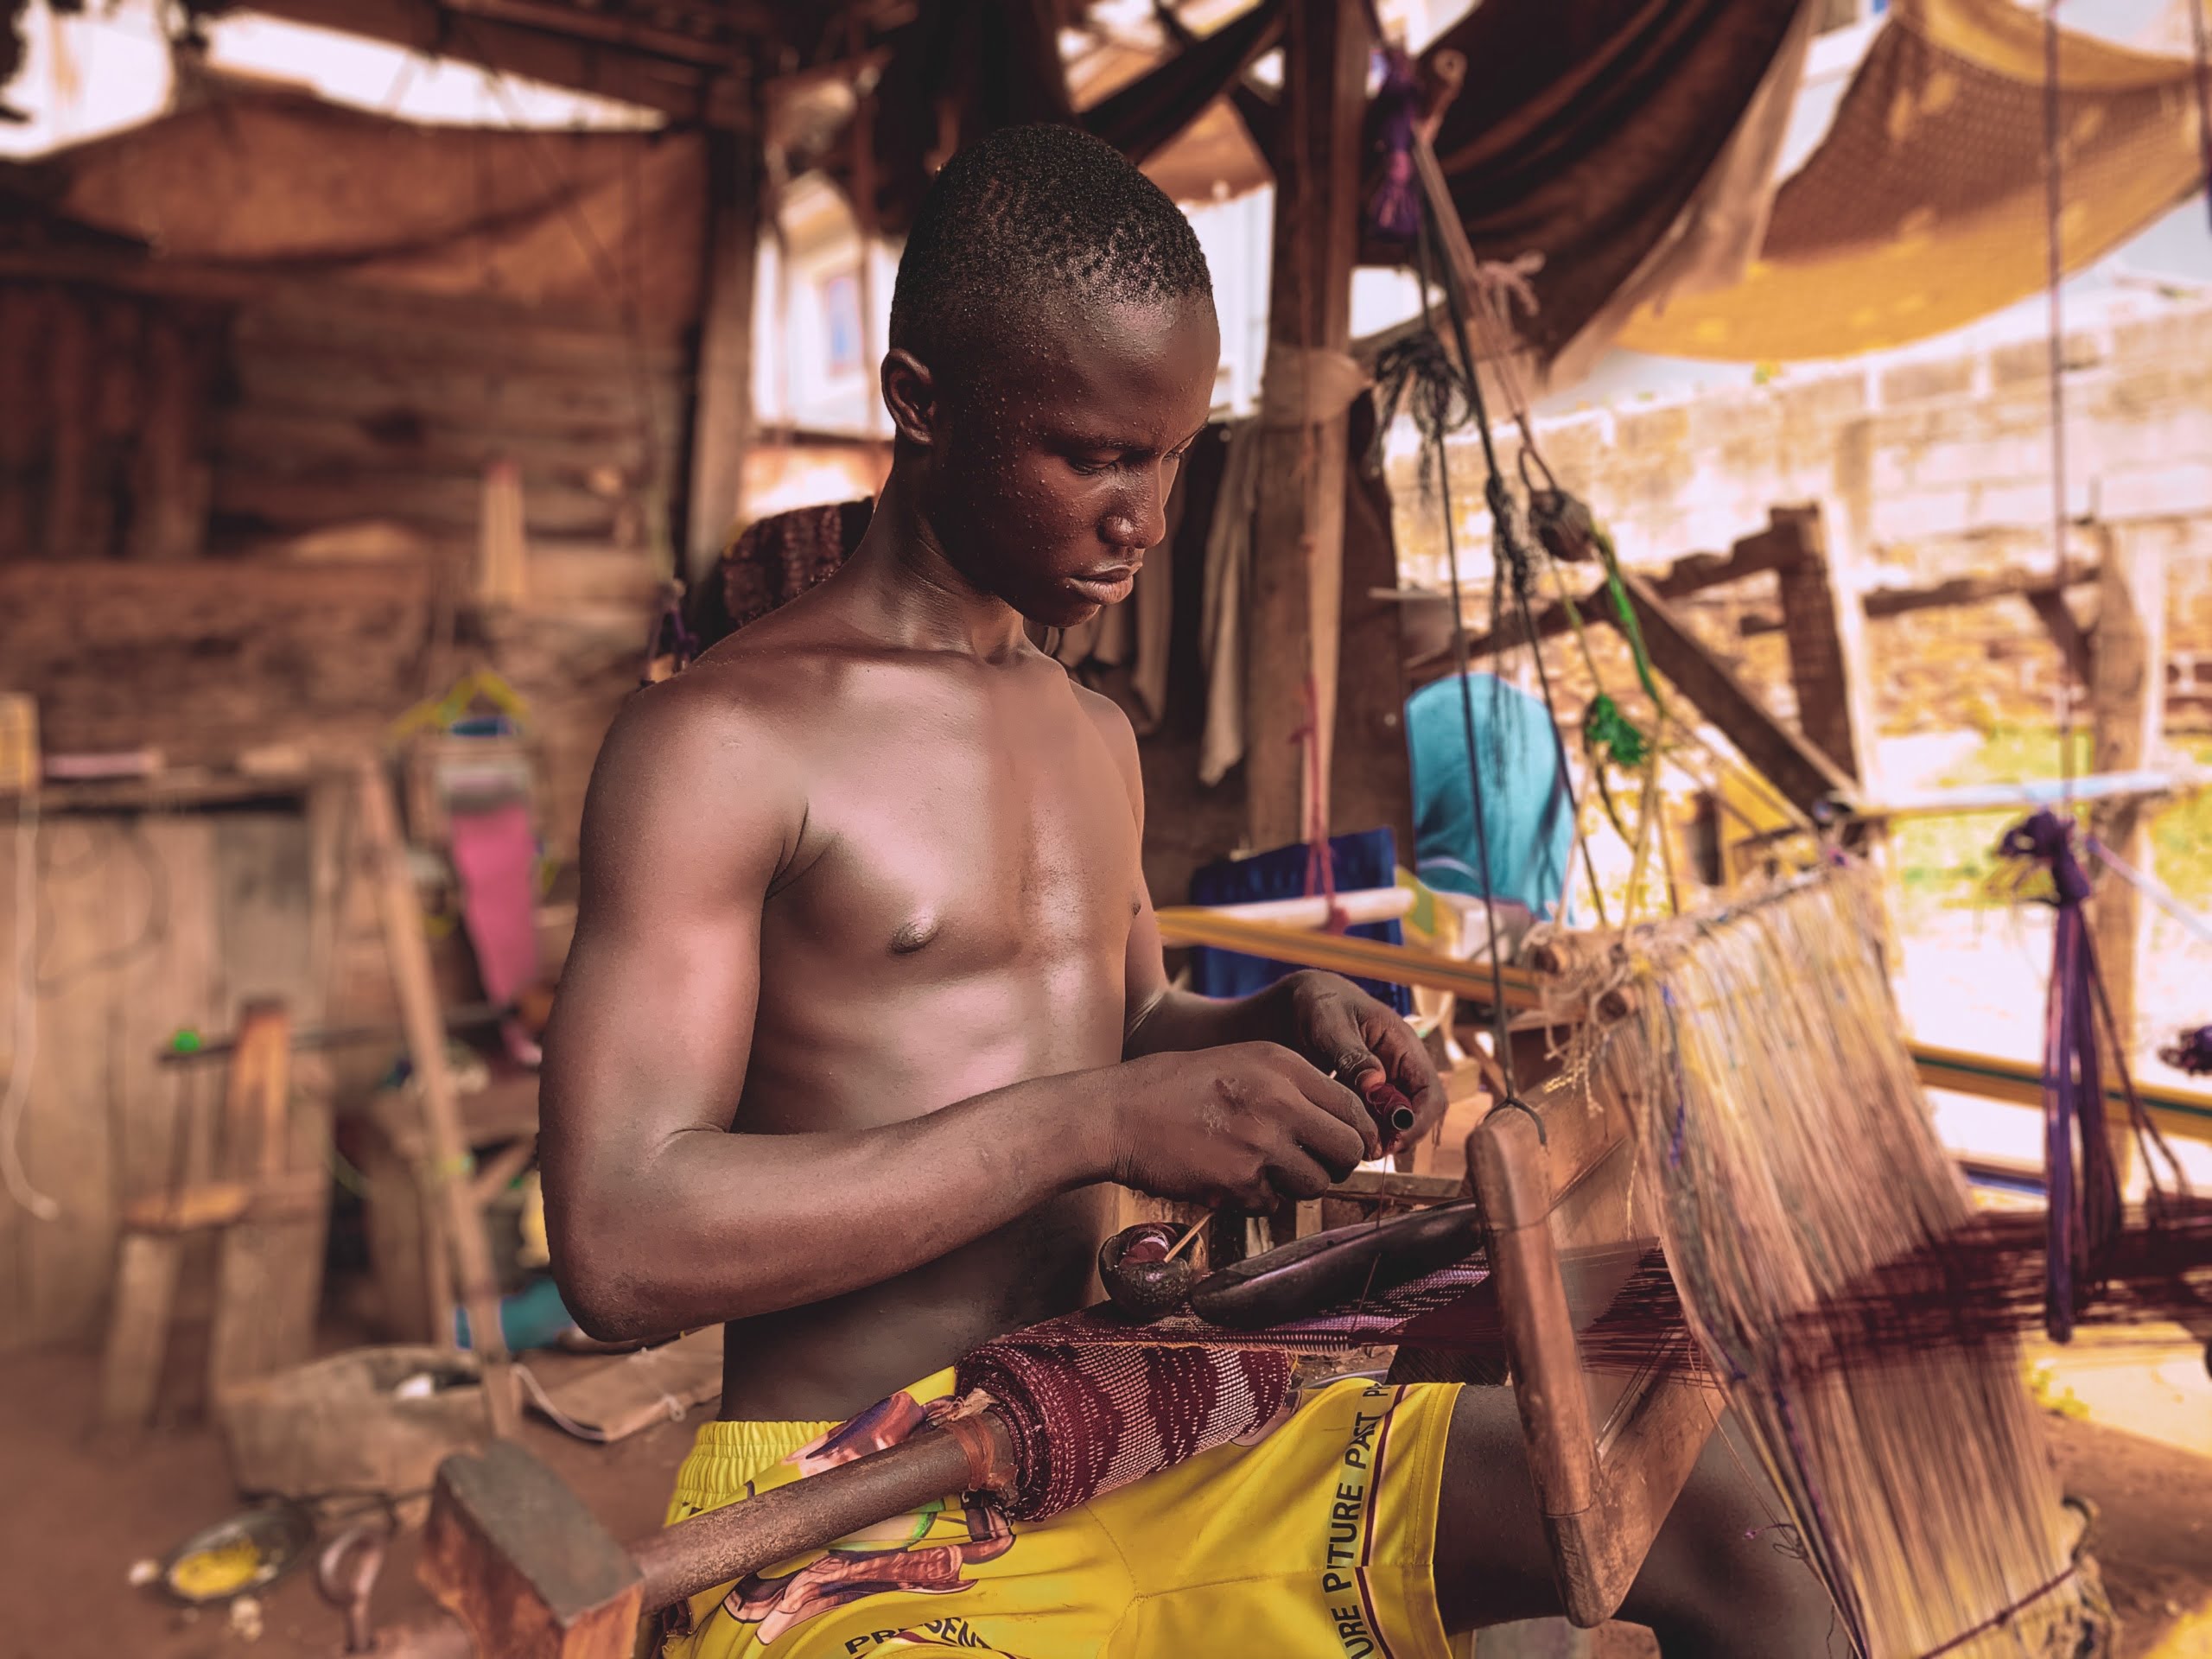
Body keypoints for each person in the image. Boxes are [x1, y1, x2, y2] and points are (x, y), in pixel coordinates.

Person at [541, 124, 1827, 1659]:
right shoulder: (722, 744)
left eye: (1172, 458)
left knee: (1728, 1523)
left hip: (1135, 1417)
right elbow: (619, 1244)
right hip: (858, 1501)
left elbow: (1123, 1018)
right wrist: (1090, 1125)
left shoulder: (1091, 732)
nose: (1144, 519)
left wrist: (1266, 1016)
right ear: (918, 408)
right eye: (1092, 456)